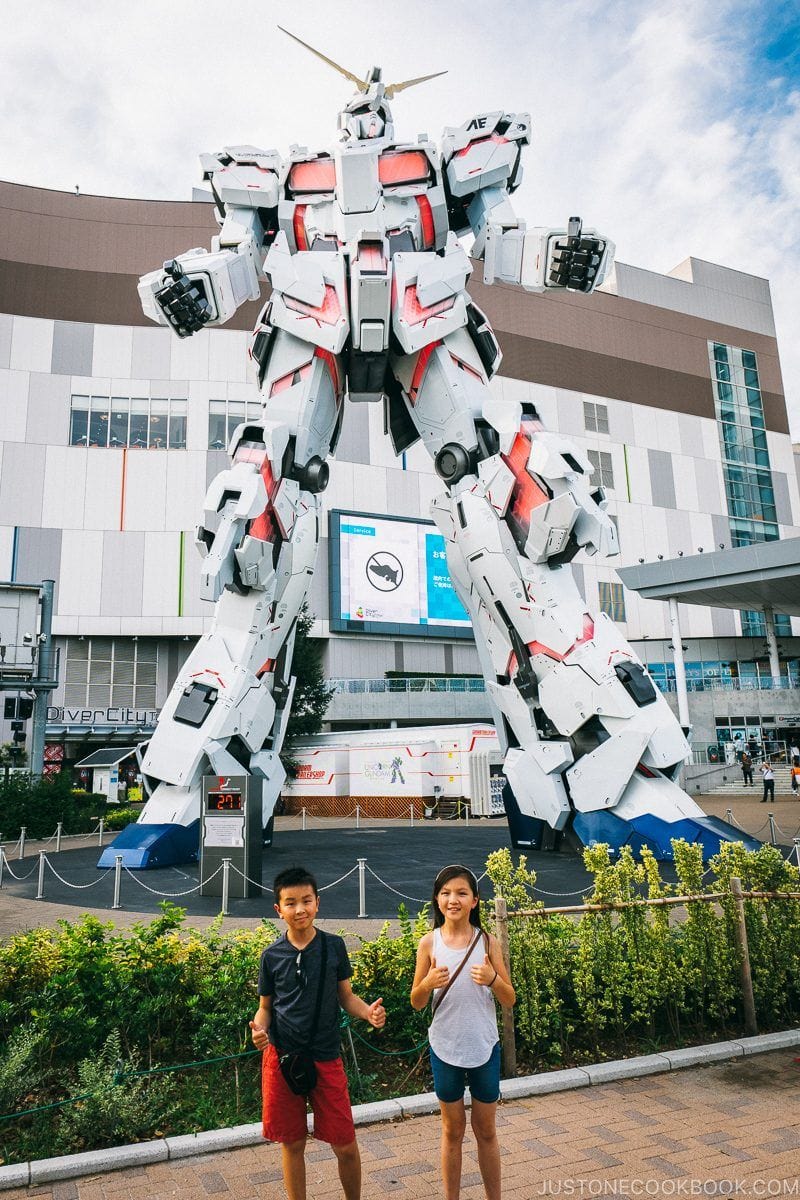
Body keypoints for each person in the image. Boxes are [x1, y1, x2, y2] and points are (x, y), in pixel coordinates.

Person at [250, 866, 386, 1200]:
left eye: (306, 901)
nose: (300, 909)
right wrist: (259, 1031)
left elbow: (346, 996)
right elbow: (265, 1007)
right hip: (282, 1058)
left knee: (345, 1142)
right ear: (278, 909)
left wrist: (368, 1013)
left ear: (317, 903)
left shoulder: (333, 946)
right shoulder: (271, 956)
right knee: (292, 1142)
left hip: (326, 1055)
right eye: (291, 902)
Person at [410, 864, 515, 1200]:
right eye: (445, 893)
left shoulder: (488, 942)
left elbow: (509, 999)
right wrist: (427, 983)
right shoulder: (429, 944)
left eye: (461, 893)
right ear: (437, 900)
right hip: (445, 1048)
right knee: (451, 1130)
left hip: (484, 1046)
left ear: (475, 901)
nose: (452, 899)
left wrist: (493, 979)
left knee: (485, 1130)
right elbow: (415, 1001)